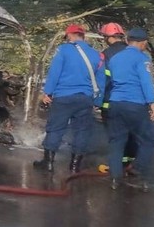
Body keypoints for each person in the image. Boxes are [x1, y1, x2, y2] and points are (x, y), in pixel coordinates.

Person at [33, 24, 106, 173]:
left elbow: (55, 72)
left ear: (69, 35)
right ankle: (74, 166)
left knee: (55, 128)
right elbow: (101, 81)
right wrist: (98, 102)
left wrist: (48, 92)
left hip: (63, 97)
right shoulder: (97, 55)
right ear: (83, 36)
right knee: (82, 131)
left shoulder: (63, 50)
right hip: (85, 99)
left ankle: (48, 163)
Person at [106, 27, 154, 191]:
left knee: (116, 142)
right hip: (135, 104)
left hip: (115, 103)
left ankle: (115, 179)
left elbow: (112, 80)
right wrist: (153, 104)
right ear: (143, 43)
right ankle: (138, 169)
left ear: (128, 41)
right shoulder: (142, 58)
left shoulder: (115, 58)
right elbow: (145, 82)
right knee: (149, 141)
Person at [98, 23, 138, 173]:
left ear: (108, 38)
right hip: (133, 102)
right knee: (130, 134)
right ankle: (129, 163)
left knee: (116, 135)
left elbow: (104, 80)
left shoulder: (105, 54)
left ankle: (116, 167)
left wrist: (98, 100)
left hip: (112, 102)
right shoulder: (133, 52)